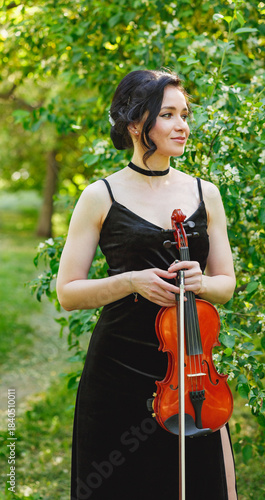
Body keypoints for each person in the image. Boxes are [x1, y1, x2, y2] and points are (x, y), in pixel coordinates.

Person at [56, 69, 237, 500]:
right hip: (117, 370)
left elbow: (226, 283)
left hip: (191, 371)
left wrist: (203, 282)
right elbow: (68, 292)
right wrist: (130, 281)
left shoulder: (204, 192)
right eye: (169, 115)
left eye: (185, 114)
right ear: (137, 123)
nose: (183, 126)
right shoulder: (101, 196)